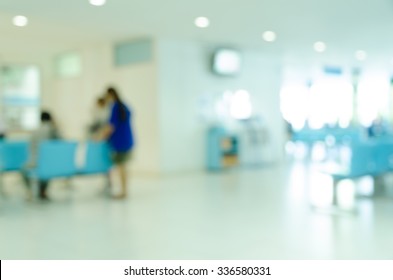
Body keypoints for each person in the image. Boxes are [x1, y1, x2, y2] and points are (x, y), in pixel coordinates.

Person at [98, 87, 134, 199]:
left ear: (109, 95)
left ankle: (123, 192)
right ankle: (124, 190)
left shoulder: (115, 107)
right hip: (127, 139)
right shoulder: (124, 105)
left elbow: (111, 126)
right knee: (123, 167)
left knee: (121, 167)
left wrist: (99, 136)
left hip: (119, 141)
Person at [23, 111, 61, 200]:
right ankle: (42, 191)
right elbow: (62, 142)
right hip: (49, 162)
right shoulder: (53, 130)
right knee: (46, 168)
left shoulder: (35, 131)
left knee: (24, 169)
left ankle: (30, 191)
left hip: (35, 162)